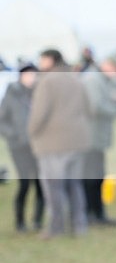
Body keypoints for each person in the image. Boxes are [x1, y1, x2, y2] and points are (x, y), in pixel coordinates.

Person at [28, 49, 91, 238]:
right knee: (75, 185)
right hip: (77, 140)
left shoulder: (46, 82)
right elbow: (88, 107)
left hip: (53, 142)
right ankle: (79, 225)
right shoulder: (76, 79)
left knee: (53, 187)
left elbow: (39, 114)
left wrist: (31, 131)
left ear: (50, 60)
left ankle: (56, 227)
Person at [0, 64, 44, 232]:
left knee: (41, 183)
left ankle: (38, 220)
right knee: (24, 183)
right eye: (28, 75)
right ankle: (20, 222)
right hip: (19, 147)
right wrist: (15, 135)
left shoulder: (39, 94)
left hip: (38, 145)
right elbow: (2, 121)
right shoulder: (12, 94)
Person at [82, 59, 116, 225]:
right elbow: (95, 106)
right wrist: (115, 111)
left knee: (97, 176)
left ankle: (97, 213)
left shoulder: (102, 80)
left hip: (96, 138)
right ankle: (93, 214)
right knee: (92, 178)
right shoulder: (93, 80)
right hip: (91, 138)